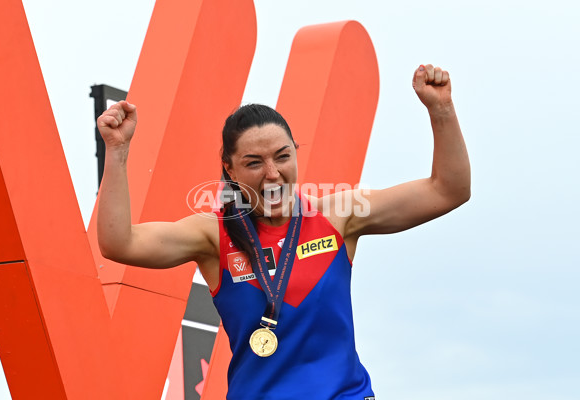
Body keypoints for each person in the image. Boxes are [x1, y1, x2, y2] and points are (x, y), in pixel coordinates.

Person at [97, 64, 470, 399]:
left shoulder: (339, 215)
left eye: (282, 156)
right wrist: (117, 152)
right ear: (230, 170)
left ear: (295, 153)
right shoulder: (214, 235)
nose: (272, 174)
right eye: (254, 163)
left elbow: (447, 190)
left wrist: (442, 110)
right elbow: (120, 243)